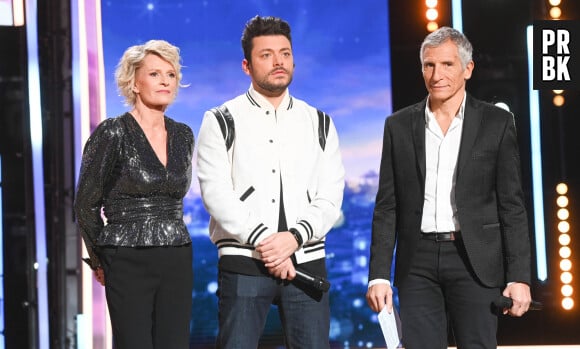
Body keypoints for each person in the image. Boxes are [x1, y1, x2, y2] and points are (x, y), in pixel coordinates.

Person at [366, 27, 532, 349]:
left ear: (468, 69)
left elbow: (511, 205)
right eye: (429, 65)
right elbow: (387, 205)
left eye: (447, 64)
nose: (436, 74)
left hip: (475, 259)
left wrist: (519, 277)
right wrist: (378, 275)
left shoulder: (496, 123)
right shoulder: (398, 126)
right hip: (418, 262)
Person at [196, 15, 345, 349]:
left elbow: (331, 195)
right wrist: (268, 243)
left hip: (307, 260)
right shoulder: (221, 119)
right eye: (266, 54)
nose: (278, 61)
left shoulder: (319, 121)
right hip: (243, 261)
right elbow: (215, 193)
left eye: (285, 53)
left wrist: (294, 238)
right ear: (247, 66)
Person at [74, 39, 194, 349]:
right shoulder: (112, 132)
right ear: (134, 83)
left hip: (176, 254)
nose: (165, 81)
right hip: (127, 259)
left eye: (171, 74)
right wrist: (102, 260)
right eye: (154, 74)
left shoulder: (183, 134)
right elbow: (86, 203)